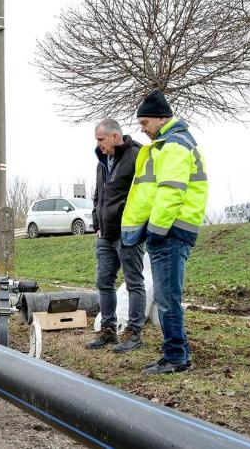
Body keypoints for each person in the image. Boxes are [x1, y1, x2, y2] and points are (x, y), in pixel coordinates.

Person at [121, 89, 208, 375]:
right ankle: (177, 352)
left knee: (167, 297)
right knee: (166, 295)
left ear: (161, 118)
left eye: (145, 122)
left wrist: (156, 231)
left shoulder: (173, 145)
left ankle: (175, 358)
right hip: (171, 230)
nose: (142, 129)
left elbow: (171, 192)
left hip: (170, 232)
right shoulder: (169, 144)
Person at [85, 118, 147, 353]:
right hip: (105, 234)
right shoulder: (102, 161)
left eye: (101, 139)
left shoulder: (137, 155)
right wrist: (96, 223)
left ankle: (134, 333)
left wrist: (138, 224)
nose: (98, 144)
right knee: (104, 282)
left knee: (134, 282)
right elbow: (98, 195)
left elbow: (145, 191)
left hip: (128, 232)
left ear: (114, 136)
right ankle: (108, 329)